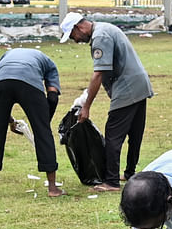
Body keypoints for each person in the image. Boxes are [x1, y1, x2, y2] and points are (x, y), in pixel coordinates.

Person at [59, 12, 153, 193]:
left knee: (113, 135)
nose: (75, 40)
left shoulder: (100, 37)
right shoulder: (105, 28)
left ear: (79, 28)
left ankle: (111, 182)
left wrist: (86, 107)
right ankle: (129, 173)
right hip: (139, 84)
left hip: (127, 88)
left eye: (73, 36)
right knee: (135, 133)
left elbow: (99, 73)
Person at [0, 48, 64, 198]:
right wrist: (42, 122)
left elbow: (0, 108)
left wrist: (10, 120)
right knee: (43, 135)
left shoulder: (4, 58)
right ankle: (53, 188)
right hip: (30, 83)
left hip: (2, 82)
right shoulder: (50, 65)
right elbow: (52, 96)